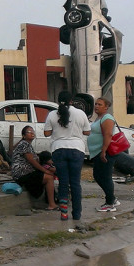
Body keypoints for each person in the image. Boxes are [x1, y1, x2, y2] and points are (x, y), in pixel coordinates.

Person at [44, 91, 90, 222]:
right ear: (72, 101)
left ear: (58, 100)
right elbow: (87, 131)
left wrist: (58, 130)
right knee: (75, 183)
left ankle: (64, 213)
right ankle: (77, 214)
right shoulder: (80, 113)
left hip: (58, 149)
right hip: (77, 149)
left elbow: (47, 133)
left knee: (63, 182)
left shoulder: (52, 114)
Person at [10, 127, 58, 210]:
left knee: (49, 175)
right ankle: (52, 204)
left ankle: (51, 200)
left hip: (28, 173)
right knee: (49, 177)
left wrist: (48, 168)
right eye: (29, 132)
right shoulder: (24, 144)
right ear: (24, 136)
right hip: (22, 174)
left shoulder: (28, 146)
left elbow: (37, 161)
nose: (32, 133)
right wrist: (45, 170)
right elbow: (32, 161)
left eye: (33, 131)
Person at [88, 97, 121, 212]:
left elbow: (108, 135)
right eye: (96, 104)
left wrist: (103, 151)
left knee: (104, 177)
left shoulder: (107, 118)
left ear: (106, 107)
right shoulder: (98, 118)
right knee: (98, 175)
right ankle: (112, 198)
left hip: (105, 152)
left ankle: (109, 203)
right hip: (97, 152)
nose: (96, 106)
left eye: (100, 104)